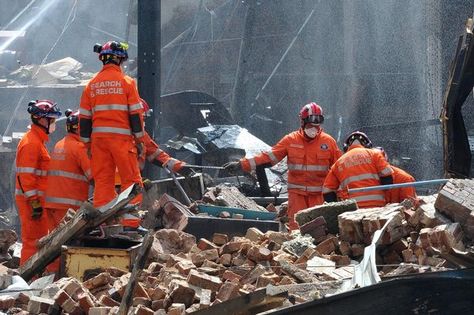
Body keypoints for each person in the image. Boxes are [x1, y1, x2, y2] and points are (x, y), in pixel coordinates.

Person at [224, 102, 341, 230]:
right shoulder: (291, 140)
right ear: (302, 122)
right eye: (310, 124)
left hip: (319, 197)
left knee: (320, 231)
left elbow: (339, 168)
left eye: (316, 125)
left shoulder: (328, 142)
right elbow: (269, 157)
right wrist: (241, 164)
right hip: (297, 196)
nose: (313, 128)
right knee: (296, 229)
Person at [79, 41, 144, 208]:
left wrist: (87, 144)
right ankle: (130, 223)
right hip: (121, 140)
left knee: (103, 183)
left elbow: (84, 119)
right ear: (119, 59)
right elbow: (136, 115)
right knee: (131, 181)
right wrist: (139, 140)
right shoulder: (127, 82)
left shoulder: (91, 85)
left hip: (99, 142)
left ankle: (104, 223)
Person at [44, 109, 92, 272]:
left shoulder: (59, 144)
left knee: (54, 245)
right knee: (69, 245)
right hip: (68, 207)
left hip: (52, 204)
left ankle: (50, 278)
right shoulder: (79, 148)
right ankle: (64, 279)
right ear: (80, 128)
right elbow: (93, 176)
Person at [15, 100, 61, 265]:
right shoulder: (31, 143)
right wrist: (34, 202)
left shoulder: (37, 141)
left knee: (39, 240)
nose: (54, 123)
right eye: (52, 120)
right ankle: (28, 279)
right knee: (33, 242)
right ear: (41, 119)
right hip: (32, 203)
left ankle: (35, 277)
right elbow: (26, 177)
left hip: (37, 202)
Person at [323, 131, 393, 208]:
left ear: (346, 147)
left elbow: (327, 190)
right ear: (367, 144)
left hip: (353, 210)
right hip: (376, 207)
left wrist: (336, 208)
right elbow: (388, 177)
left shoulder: (338, 163)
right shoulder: (374, 154)